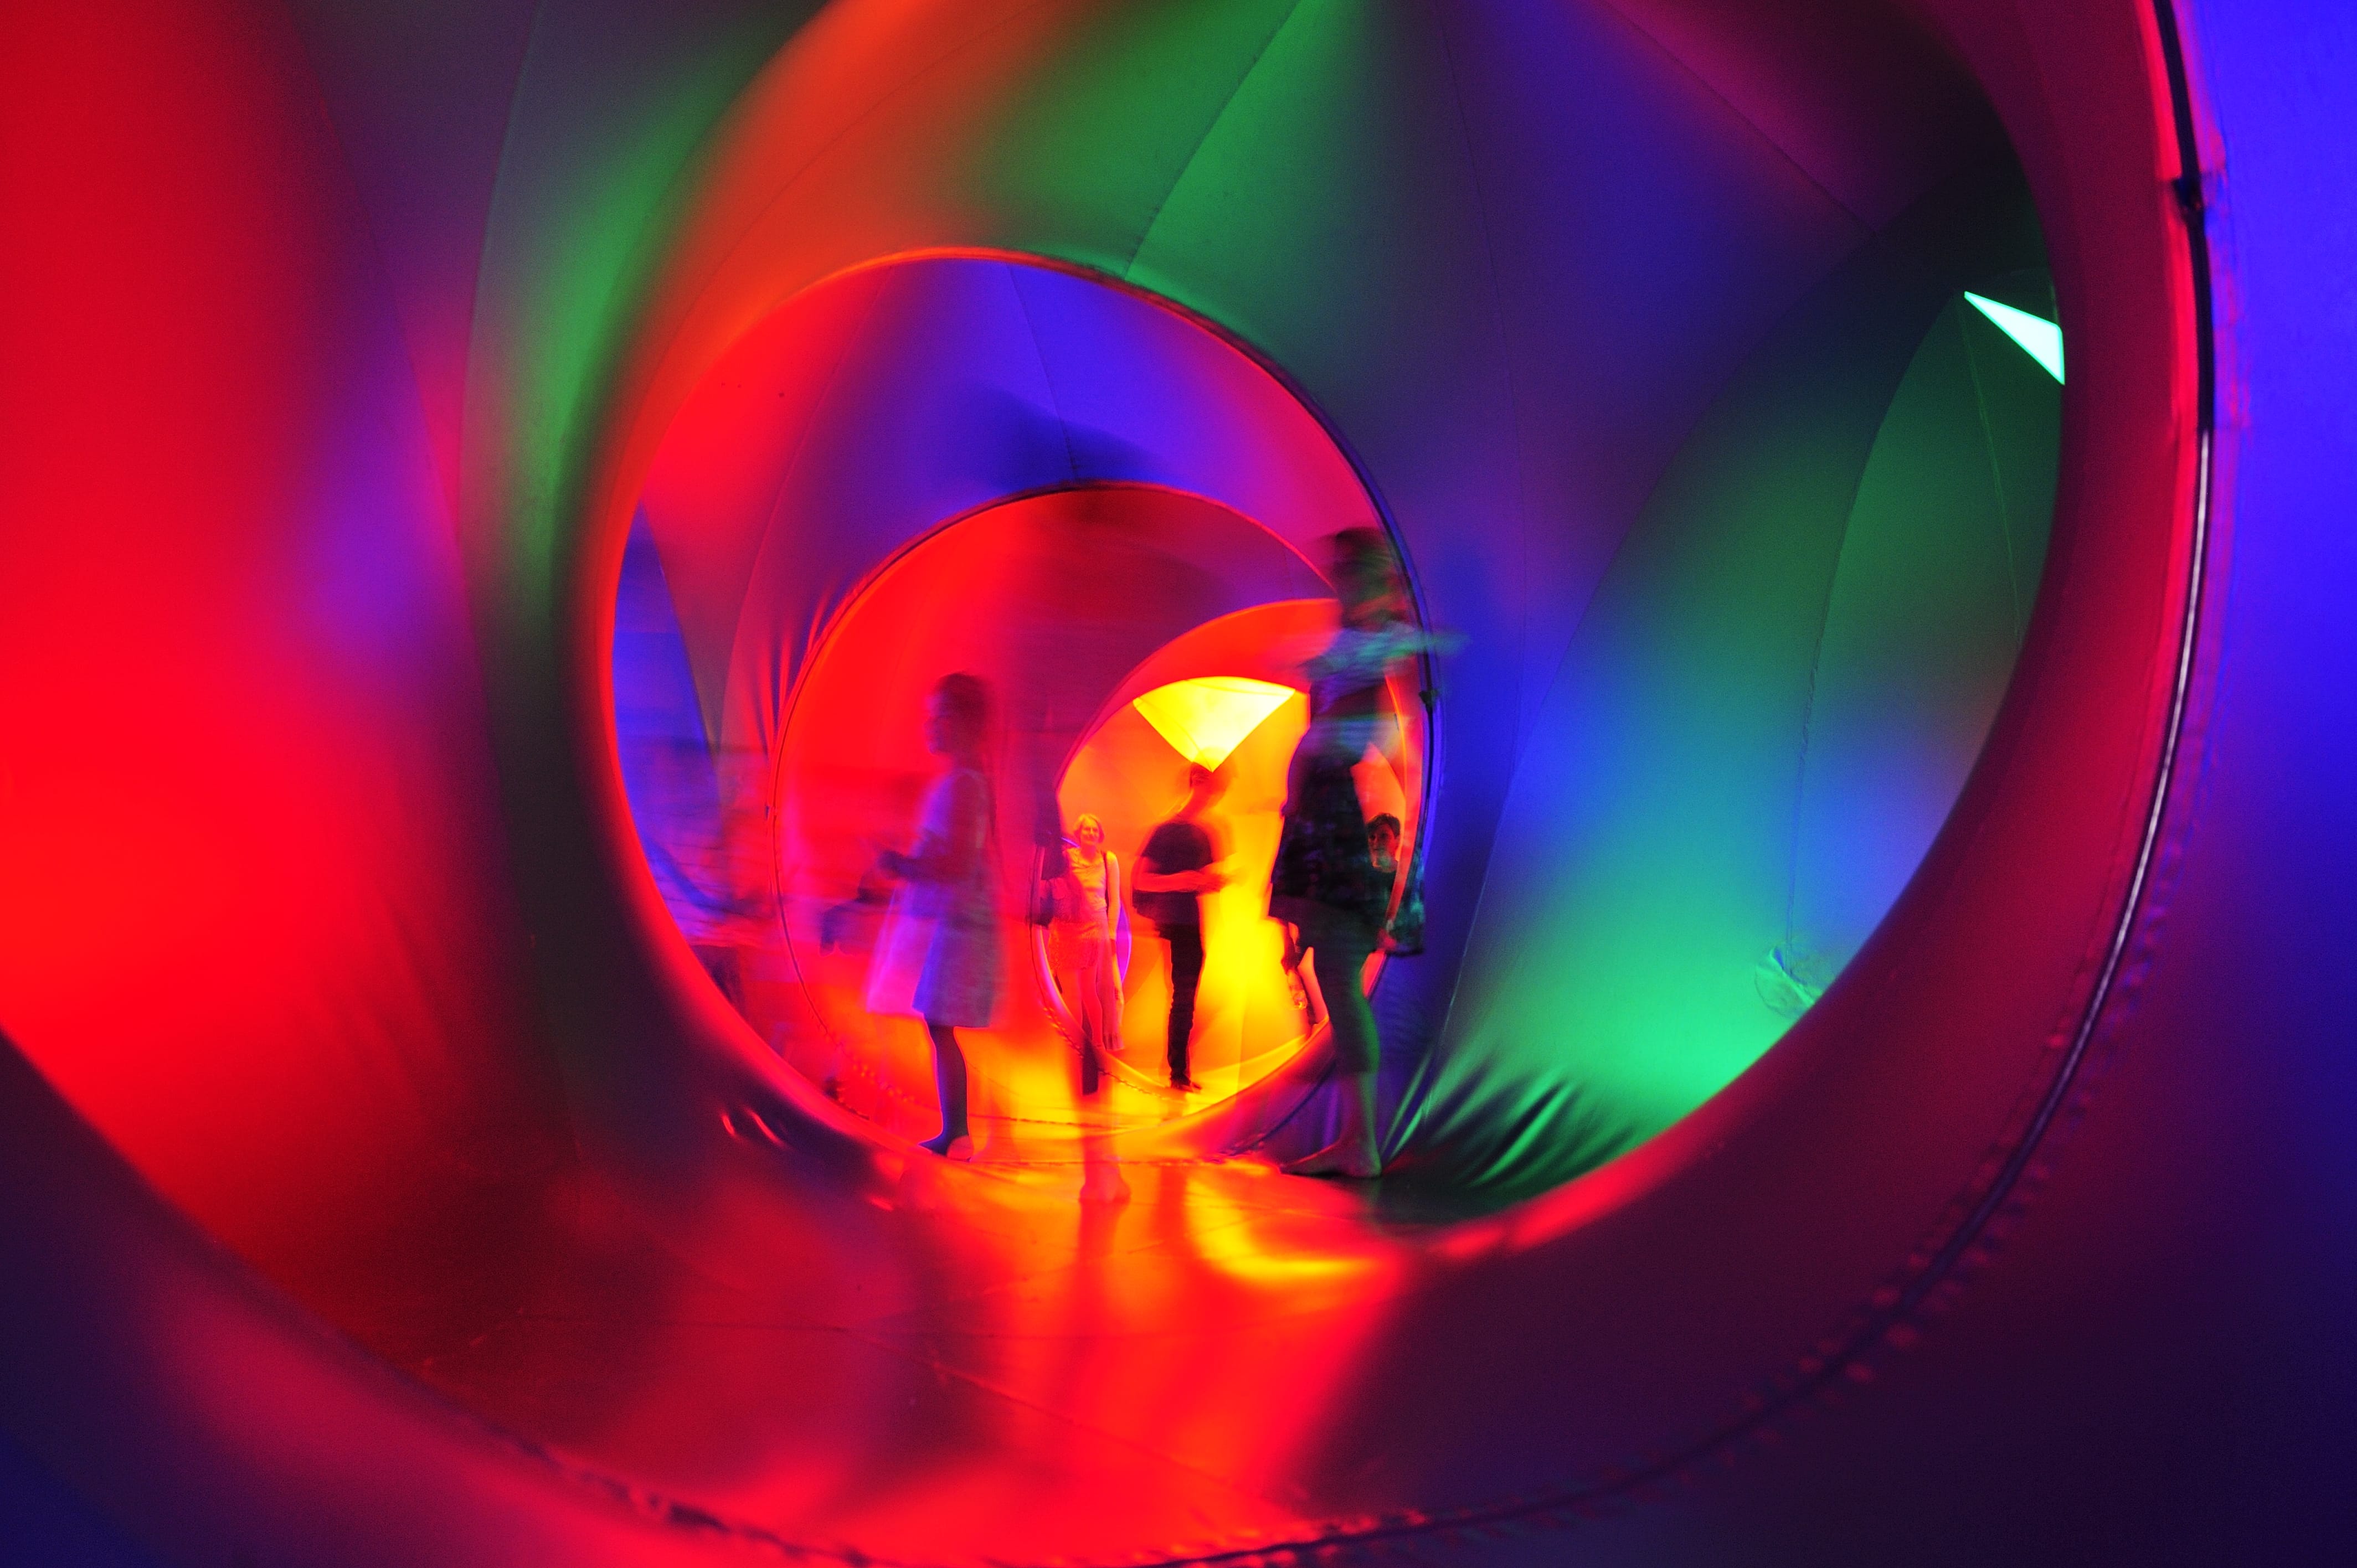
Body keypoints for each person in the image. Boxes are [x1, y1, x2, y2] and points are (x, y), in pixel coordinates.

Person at [1270, 529, 1445, 1178]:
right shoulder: (1356, 648)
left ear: (1369, 583)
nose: (1338, 586)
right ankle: (1354, 1140)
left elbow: (1347, 731)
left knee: (1341, 982)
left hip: (1343, 819)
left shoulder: (1371, 645)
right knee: (1333, 977)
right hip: (1325, 818)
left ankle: (1359, 1143)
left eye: (1348, 576)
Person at [866, 673, 1000, 1158]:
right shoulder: (961, 782)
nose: (931, 726)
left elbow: (958, 860)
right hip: (954, 920)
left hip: (959, 925)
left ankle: (957, 1131)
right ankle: (956, 1130)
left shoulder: (966, 784)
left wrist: (900, 863)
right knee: (937, 1023)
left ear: (961, 722)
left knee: (940, 1022)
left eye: (939, 715)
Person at [1132, 763, 1227, 1093]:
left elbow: (1205, 879)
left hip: (1191, 921)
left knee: (1187, 998)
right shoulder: (1166, 831)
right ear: (1195, 783)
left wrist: (1210, 882)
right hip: (1174, 922)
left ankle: (1178, 1071)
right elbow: (1141, 880)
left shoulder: (1204, 833)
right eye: (1208, 785)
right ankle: (1177, 1073)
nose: (1211, 794)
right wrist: (1180, 881)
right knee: (1183, 997)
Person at [1047, 812, 1129, 1096]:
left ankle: (1098, 1046)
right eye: (1086, 829)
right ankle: (1075, 1046)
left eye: (1095, 829)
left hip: (1097, 927)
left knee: (1098, 990)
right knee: (1073, 994)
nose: (1091, 833)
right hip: (1070, 928)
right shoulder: (1068, 859)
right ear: (1078, 832)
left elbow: (1114, 900)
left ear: (1100, 834)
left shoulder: (1109, 860)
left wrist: (1111, 934)